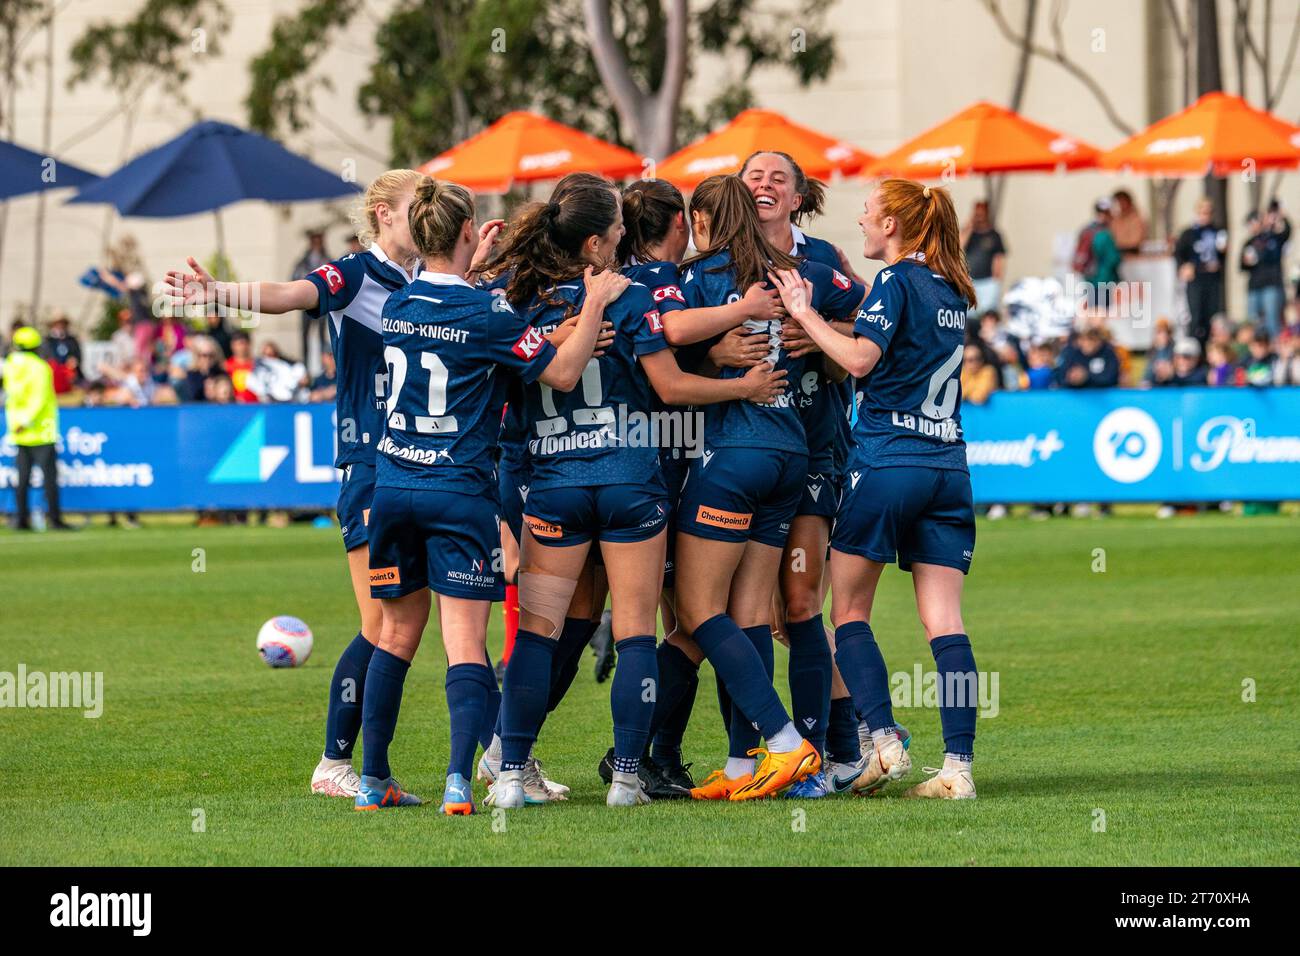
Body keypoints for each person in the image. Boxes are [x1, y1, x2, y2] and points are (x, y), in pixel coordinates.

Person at [166, 169, 483, 801]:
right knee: (380, 625)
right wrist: (217, 293)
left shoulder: (424, 283)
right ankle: (337, 762)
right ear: (382, 214)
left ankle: (405, 768)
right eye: (412, 206)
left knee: (408, 624)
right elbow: (289, 294)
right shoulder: (355, 274)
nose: (422, 217)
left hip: (416, 468)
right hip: (370, 466)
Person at [490, 174, 788, 809]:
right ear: (595, 242)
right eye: (618, 231)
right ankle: (628, 777)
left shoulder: (516, 301)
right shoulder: (628, 298)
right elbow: (674, 389)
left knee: (538, 633)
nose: (625, 239)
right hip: (630, 484)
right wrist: (741, 386)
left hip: (553, 489)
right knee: (632, 634)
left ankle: (509, 773)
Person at [358, 177, 617, 813]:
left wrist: (467, 267)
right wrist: (593, 309)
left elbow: (449, 323)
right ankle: (456, 782)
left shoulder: (400, 302)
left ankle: (371, 780)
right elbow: (558, 369)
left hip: (391, 487)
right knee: (464, 642)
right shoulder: (487, 314)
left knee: (393, 635)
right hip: (458, 493)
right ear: (470, 232)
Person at [766, 178, 981, 799]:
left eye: (867, 215)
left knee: (848, 610)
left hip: (888, 462)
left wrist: (806, 314)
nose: (861, 223)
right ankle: (958, 769)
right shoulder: (952, 289)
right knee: (946, 622)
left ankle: (882, 741)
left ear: (892, 226)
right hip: (948, 465)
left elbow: (859, 361)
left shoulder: (896, 280)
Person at [739, 150, 875, 797]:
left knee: (798, 604)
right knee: (760, 616)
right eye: (753, 177)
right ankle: (859, 735)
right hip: (741, 458)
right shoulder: (722, 260)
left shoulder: (821, 262)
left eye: (777, 179)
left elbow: (874, 325)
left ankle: (826, 753)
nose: (763, 185)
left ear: (797, 197)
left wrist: (817, 332)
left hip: (816, 453)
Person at [4, 327, 70, 531]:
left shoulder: (10, 365)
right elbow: (40, 399)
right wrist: (28, 421)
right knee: (49, 478)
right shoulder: (41, 367)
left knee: (22, 479)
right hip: (41, 430)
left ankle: (21, 519)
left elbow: (12, 395)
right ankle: (55, 519)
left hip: (19, 431)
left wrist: (19, 424)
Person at [1174, 198, 1227, 347]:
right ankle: (1194, 348)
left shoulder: (1218, 231)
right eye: (1203, 212)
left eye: (1209, 212)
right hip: (1196, 279)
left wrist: (1219, 261)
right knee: (1195, 316)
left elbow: (1222, 254)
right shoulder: (1189, 233)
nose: (1206, 215)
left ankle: (1210, 349)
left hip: (1212, 278)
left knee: (1211, 316)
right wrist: (1184, 267)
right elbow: (1178, 253)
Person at [1240, 202, 1291, 340]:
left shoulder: (1274, 238)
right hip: (1255, 286)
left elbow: (1287, 231)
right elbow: (1242, 267)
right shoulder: (1249, 242)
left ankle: (1274, 350)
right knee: (1253, 321)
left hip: (1272, 285)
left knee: (1272, 321)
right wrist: (1246, 262)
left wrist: (1279, 216)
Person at [292, 229, 330, 371]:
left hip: (322, 301)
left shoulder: (327, 259)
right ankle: (306, 365)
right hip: (306, 302)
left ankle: (322, 364)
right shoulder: (303, 261)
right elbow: (294, 276)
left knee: (322, 334)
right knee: (305, 334)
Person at [1074, 199, 1121, 311]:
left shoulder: (1086, 230)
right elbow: (1113, 258)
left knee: (1092, 311)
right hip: (1103, 280)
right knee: (1101, 313)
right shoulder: (1104, 234)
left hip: (1089, 279)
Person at [962, 199, 1006, 317]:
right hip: (970, 281)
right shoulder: (969, 233)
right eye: (977, 213)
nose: (979, 217)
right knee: (969, 315)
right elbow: (959, 245)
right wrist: (970, 225)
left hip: (988, 282)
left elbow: (999, 258)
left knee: (986, 315)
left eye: (982, 213)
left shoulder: (994, 235)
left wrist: (997, 281)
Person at [1056, 326, 1120, 388]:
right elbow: (1061, 378)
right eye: (1083, 339)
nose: (1086, 343)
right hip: (1075, 397)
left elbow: (1111, 378)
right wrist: (1071, 379)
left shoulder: (1108, 354)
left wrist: (1086, 377)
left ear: (1099, 341)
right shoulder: (1072, 354)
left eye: (1091, 339)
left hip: (1103, 397)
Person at [1109, 189, 1147, 256]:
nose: (1120, 205)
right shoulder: (1114, 220)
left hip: (1132, 256)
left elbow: (1135, 242)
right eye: (1117, 203)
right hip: (1117, 256)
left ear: (1128, 202)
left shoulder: (1136, 220)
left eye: (1122, 202)